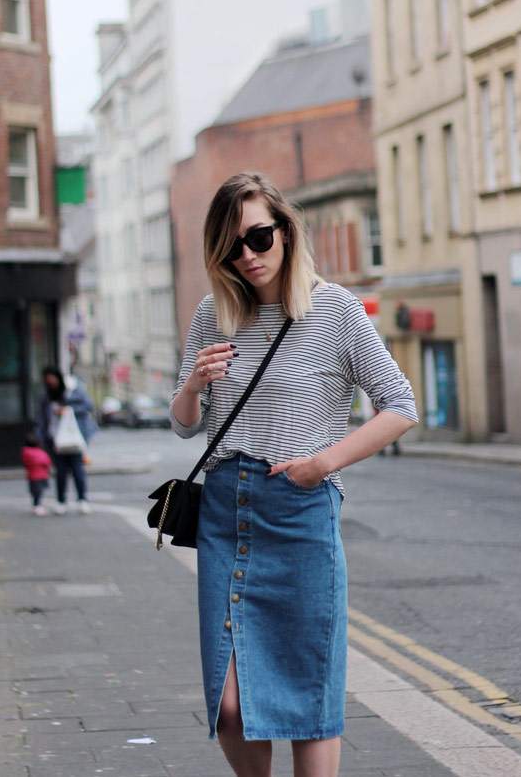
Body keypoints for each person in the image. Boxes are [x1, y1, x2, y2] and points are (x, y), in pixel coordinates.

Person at [169, 172, 418, 777]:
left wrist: (323, 463)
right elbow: (182, 424)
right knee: (229, 706)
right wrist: (195, 384)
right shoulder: (213, 314)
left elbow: (400, 406)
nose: (248, 256)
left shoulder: (335, 310)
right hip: (226, 515)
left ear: (285, 229)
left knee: (308, 701)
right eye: (232, 246)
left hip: (300, 513)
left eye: (258, 237)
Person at [36, 367, 98, 514]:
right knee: (61, 471)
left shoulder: (73, 391)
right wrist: (40, 436)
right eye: (47, 379)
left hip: (73, 437)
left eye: (52, 378)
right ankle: (61, 501)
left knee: (77, 469)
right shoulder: (46, 396)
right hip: (54, 438)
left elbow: (88, 406)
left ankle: (82, 499)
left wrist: (67, 409)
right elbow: (42, 419)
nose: (50, 381)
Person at [21, 431, 52, 516]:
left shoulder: (25, 452)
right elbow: (47, 462)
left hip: (33, 476)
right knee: (39, 492)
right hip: (42, 475)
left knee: (35, 492)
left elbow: (26, 463)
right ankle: (38, 506)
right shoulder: (41, 452)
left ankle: (36, 505)